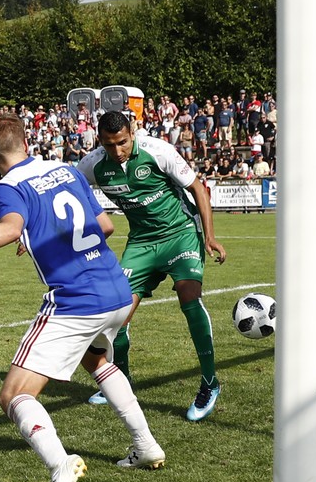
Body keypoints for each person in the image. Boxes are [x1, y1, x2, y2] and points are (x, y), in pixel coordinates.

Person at [0, 113, 164, 482]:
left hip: (76, 300)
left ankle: (59, 465)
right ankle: (146, 444)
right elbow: (104, 226)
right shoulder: (65, 169)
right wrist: (44, 236)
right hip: (117, 290)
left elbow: (11, 228)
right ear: (26, 141)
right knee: (98, 361)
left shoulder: (7, 186)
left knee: (13, 396)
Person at [76, 110, 228, 420]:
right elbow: (68, 192)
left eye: (121, 142)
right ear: (99, 141)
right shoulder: (92, 165)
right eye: (108, 145)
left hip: (180, 233)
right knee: (116, 316)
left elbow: (198, 188)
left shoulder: (158, 151)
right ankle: (121, 382)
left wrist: (209, 237)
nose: (117, 151)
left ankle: (210, 384)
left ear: (132, 132)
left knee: (189, 297)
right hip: (142, 243)